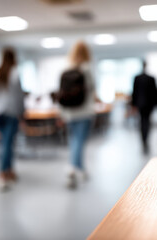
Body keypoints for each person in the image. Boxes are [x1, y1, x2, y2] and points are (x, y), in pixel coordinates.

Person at [58, 41, 95, 189]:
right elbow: (92, 88)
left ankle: (81, 169)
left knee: (74, 140)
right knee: (79, 141)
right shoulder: (86, 69)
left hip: (69, 113)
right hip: (84, 112)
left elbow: (62, 93)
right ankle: (72, 169)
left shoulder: (66, 68)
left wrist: (61, 114)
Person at [0, 48, 24, 190]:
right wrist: (22, 113)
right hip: (10, 113)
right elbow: (18, 97)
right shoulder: (14, 73)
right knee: (7, 144)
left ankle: (9, 171)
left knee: (6, 142)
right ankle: (3, 174)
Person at [131, 60, 157, 154]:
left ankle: (144, 140)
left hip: (141, 104)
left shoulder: (137, 78)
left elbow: (134, 93)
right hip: (148, 105)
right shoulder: (151, 78)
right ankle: (145, 140)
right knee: (147, 122)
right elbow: (155, 93)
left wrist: (134, 104)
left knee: (143, 122)